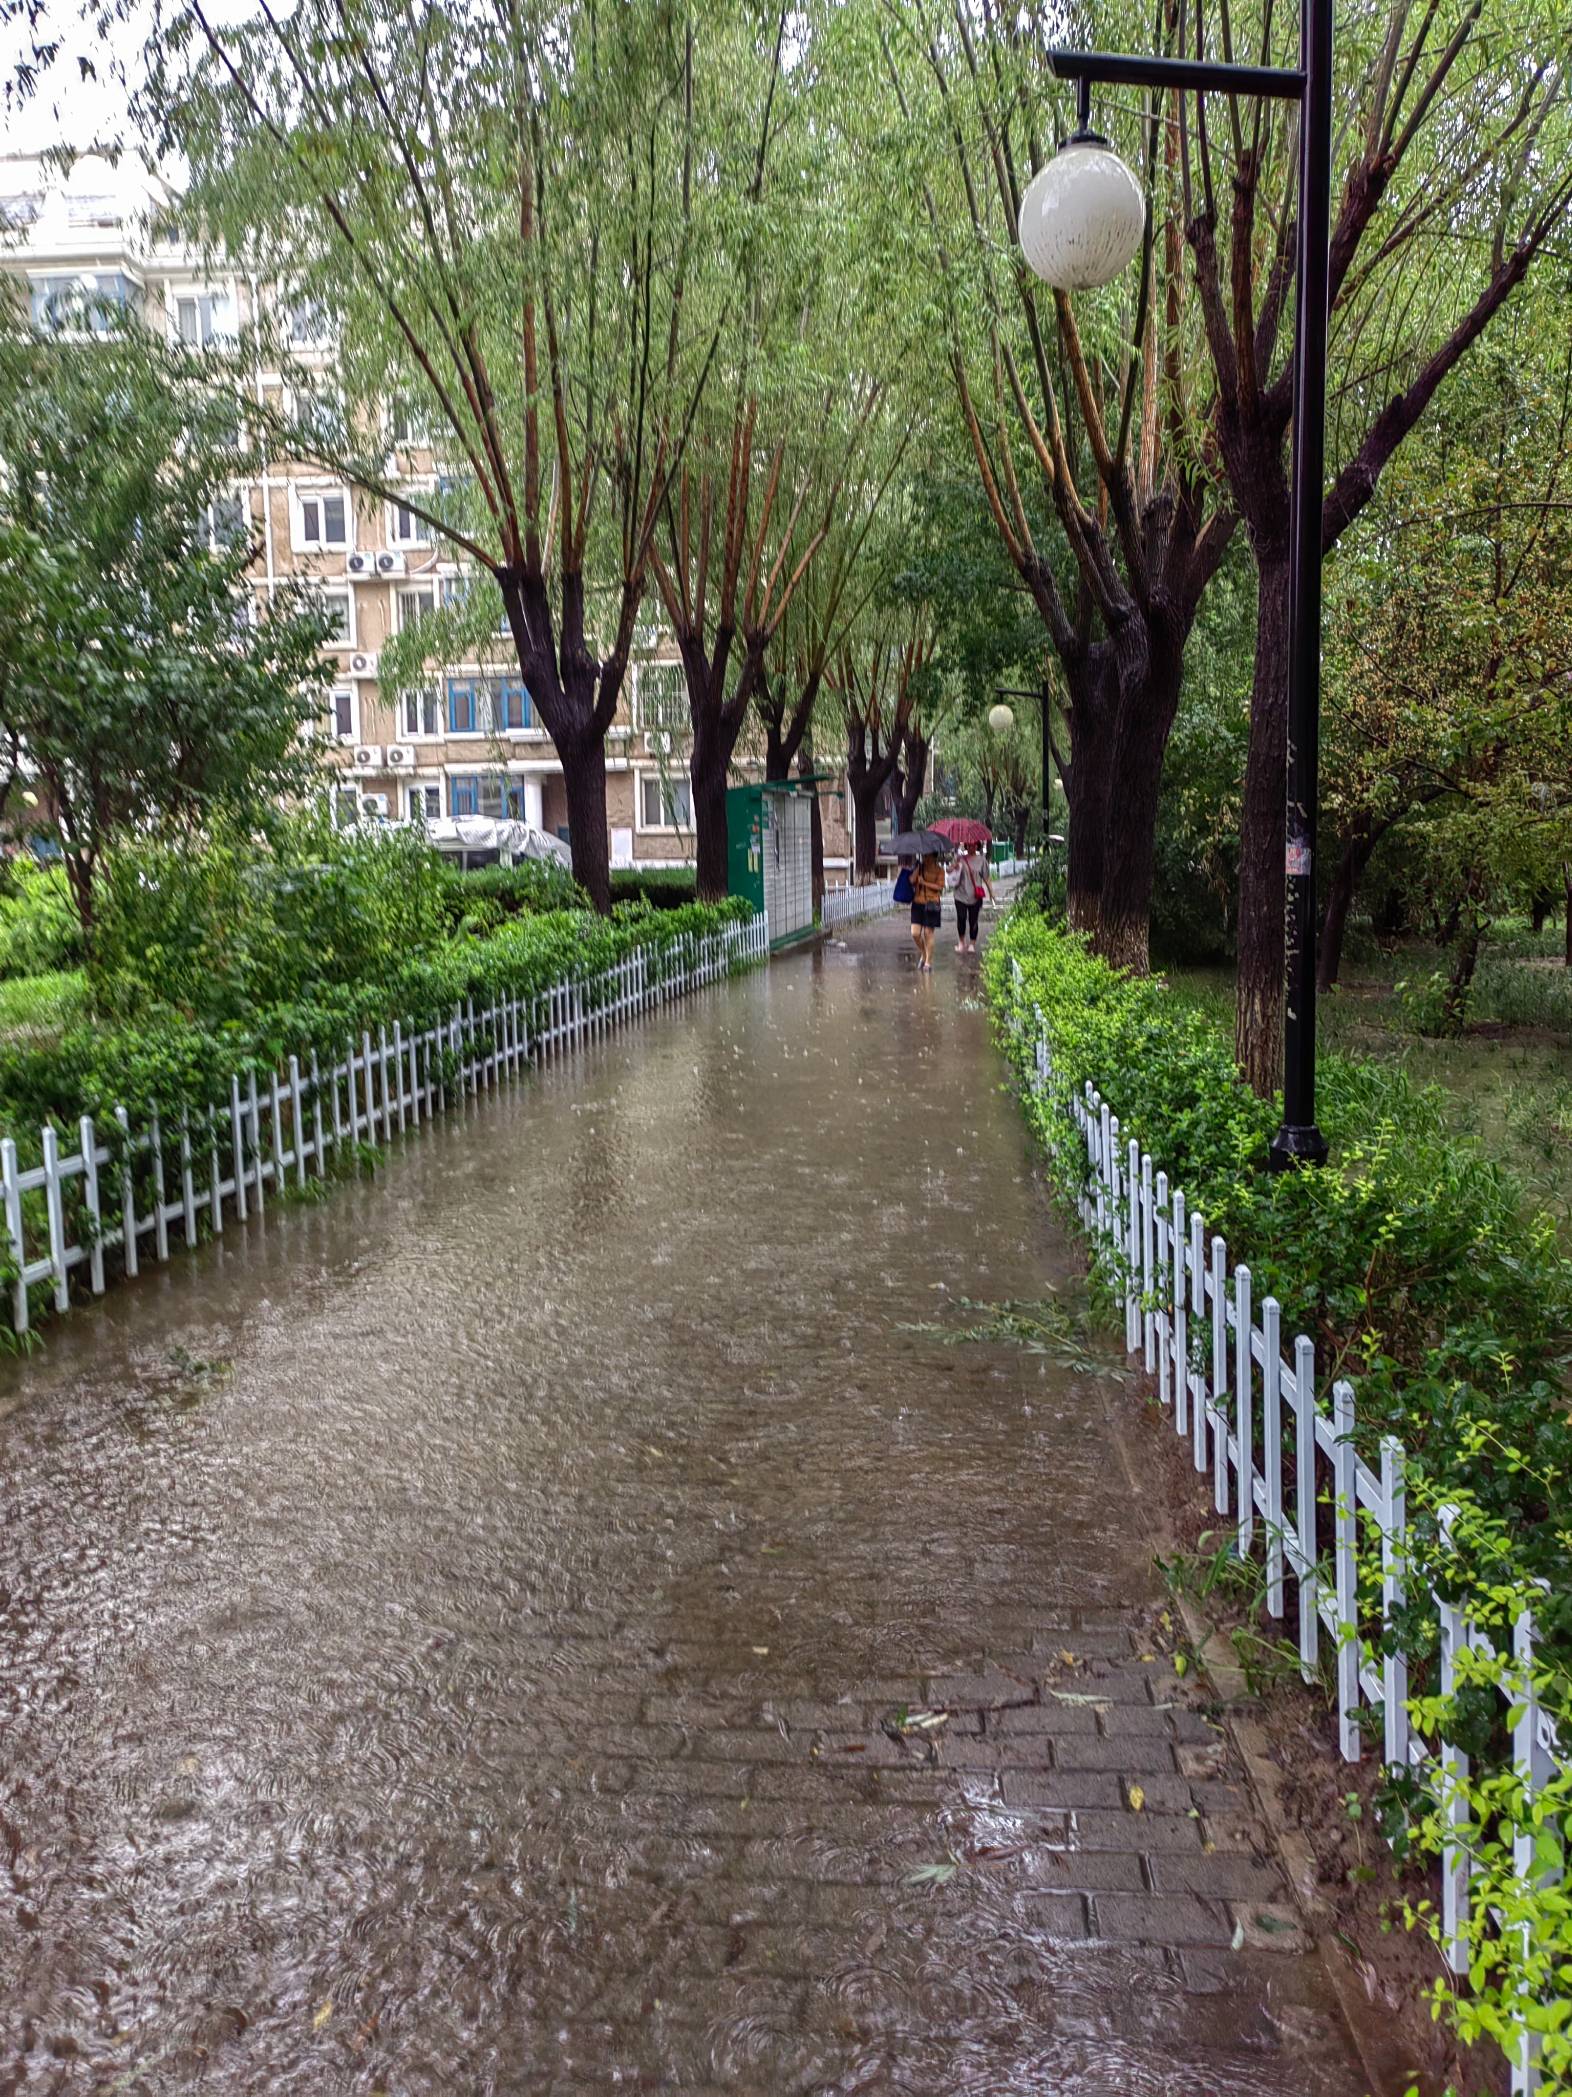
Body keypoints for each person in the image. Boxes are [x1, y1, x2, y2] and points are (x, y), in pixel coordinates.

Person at [952, 842, 994, 954]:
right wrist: (954, 867)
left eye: (974, 845)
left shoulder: (982, 860)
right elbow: (949, 872)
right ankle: (961, 942)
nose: (972, 847)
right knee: (961, 918)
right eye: (969, 845)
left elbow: (987, 878)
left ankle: (972, 943)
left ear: (977, 846)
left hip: (975, 896)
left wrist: (991, 893)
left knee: (973, 920)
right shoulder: (959, 859)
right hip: (960, 895)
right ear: (966, 846)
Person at [909, 850, 945, 971]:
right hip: (917, 903)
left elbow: (940, 887)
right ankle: (924, 953)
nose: (925, 858)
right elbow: (911, 880)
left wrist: (925, 883)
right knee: (915, 933)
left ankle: (928, 962)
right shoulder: (920, 867)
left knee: (928, 933)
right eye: (924, 855)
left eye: (927, 856)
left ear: (934, 857)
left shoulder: (940, 871)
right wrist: (917, 869)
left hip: (932, 904)